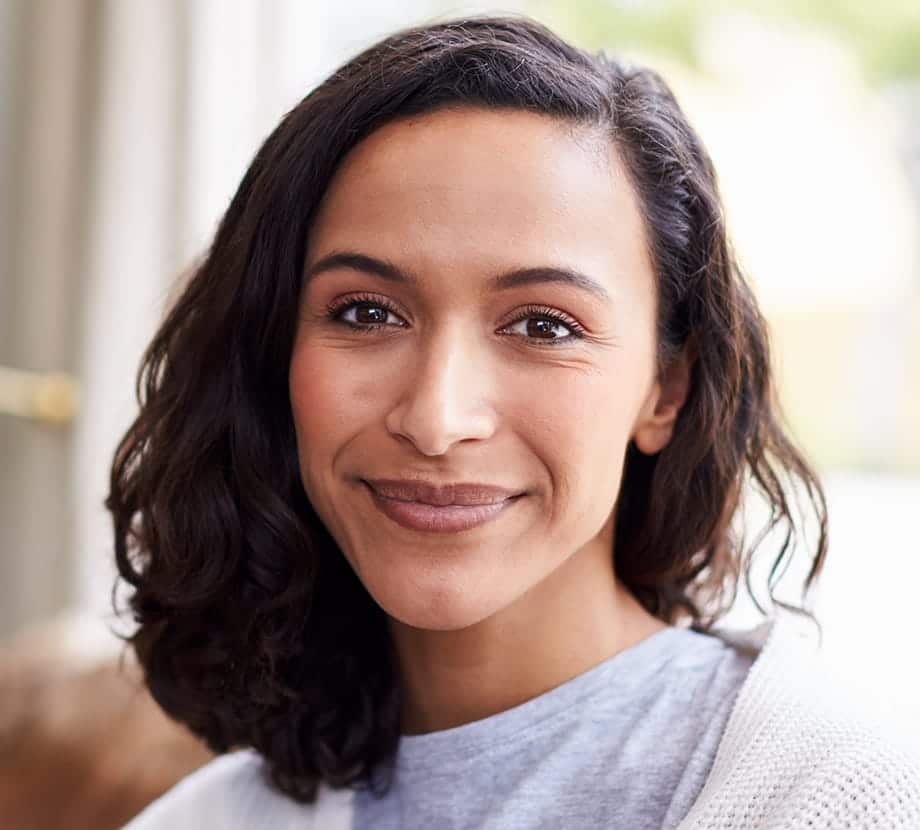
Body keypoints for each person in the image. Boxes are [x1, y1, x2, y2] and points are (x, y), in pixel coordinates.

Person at [108, 14, 920, 830]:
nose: (436, 418)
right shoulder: (204, 820)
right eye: (365, 312)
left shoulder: (836, 794)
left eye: (543, 326)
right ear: (273, 353)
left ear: (665, 389)